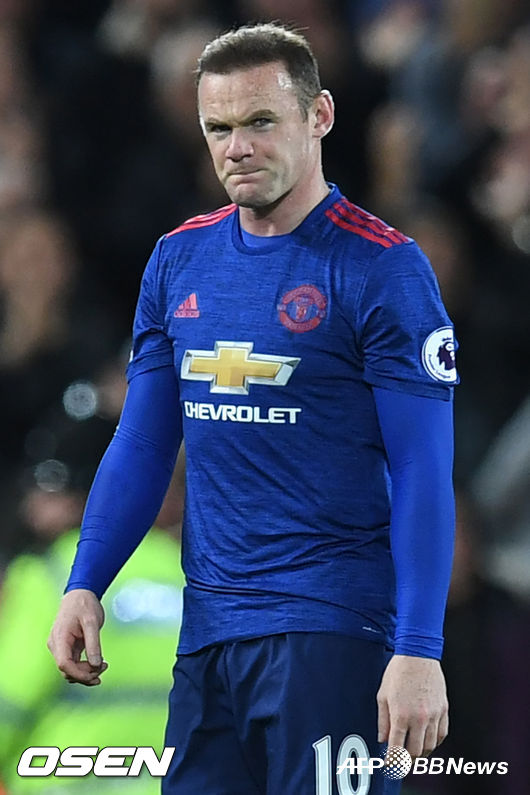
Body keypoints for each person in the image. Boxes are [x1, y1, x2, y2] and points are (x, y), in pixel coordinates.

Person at [48, 22, 457, 795]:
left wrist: (418, 647)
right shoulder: (178, 259)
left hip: (333, 633)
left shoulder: (383, 270)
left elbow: (423, 469)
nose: (237, 147)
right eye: (219, 127)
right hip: (208, 636)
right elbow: (143, 444)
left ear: (319, 115)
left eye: (261, 121)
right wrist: (85, 580)